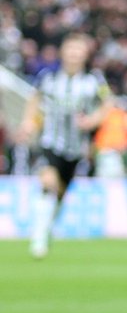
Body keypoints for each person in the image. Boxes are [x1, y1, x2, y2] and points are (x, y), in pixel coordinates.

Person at [14, 32, 113, 258]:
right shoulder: (48, 77)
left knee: (58, 194)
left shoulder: (94, 80)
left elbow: (107, 105)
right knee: (48, 182)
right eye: (71, 49)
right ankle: (38, 238)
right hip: (50, 141)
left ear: (85, 54)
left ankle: (46, 227)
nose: (74, 54)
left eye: (79, 50)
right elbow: (34, 100)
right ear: (63, 52)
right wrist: (28, 122)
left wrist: (91, 121)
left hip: (76, 148)